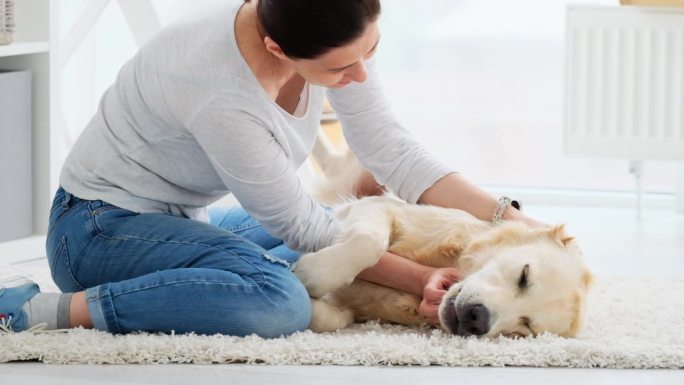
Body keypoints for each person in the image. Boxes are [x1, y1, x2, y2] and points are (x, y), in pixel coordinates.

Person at [0, 0, 545, 336]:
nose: (359, 74)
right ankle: (44, 310)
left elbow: (389, 147)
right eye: (341, 68)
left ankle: (220, 275)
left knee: (347, 218)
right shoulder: (220, 90)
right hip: (97, 232)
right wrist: (424, 279)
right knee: (279, 304)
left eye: (370, 52)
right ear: (276, 47)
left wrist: (511, 218)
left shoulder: (332, 28)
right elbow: (303, 230)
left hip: (187, 222)